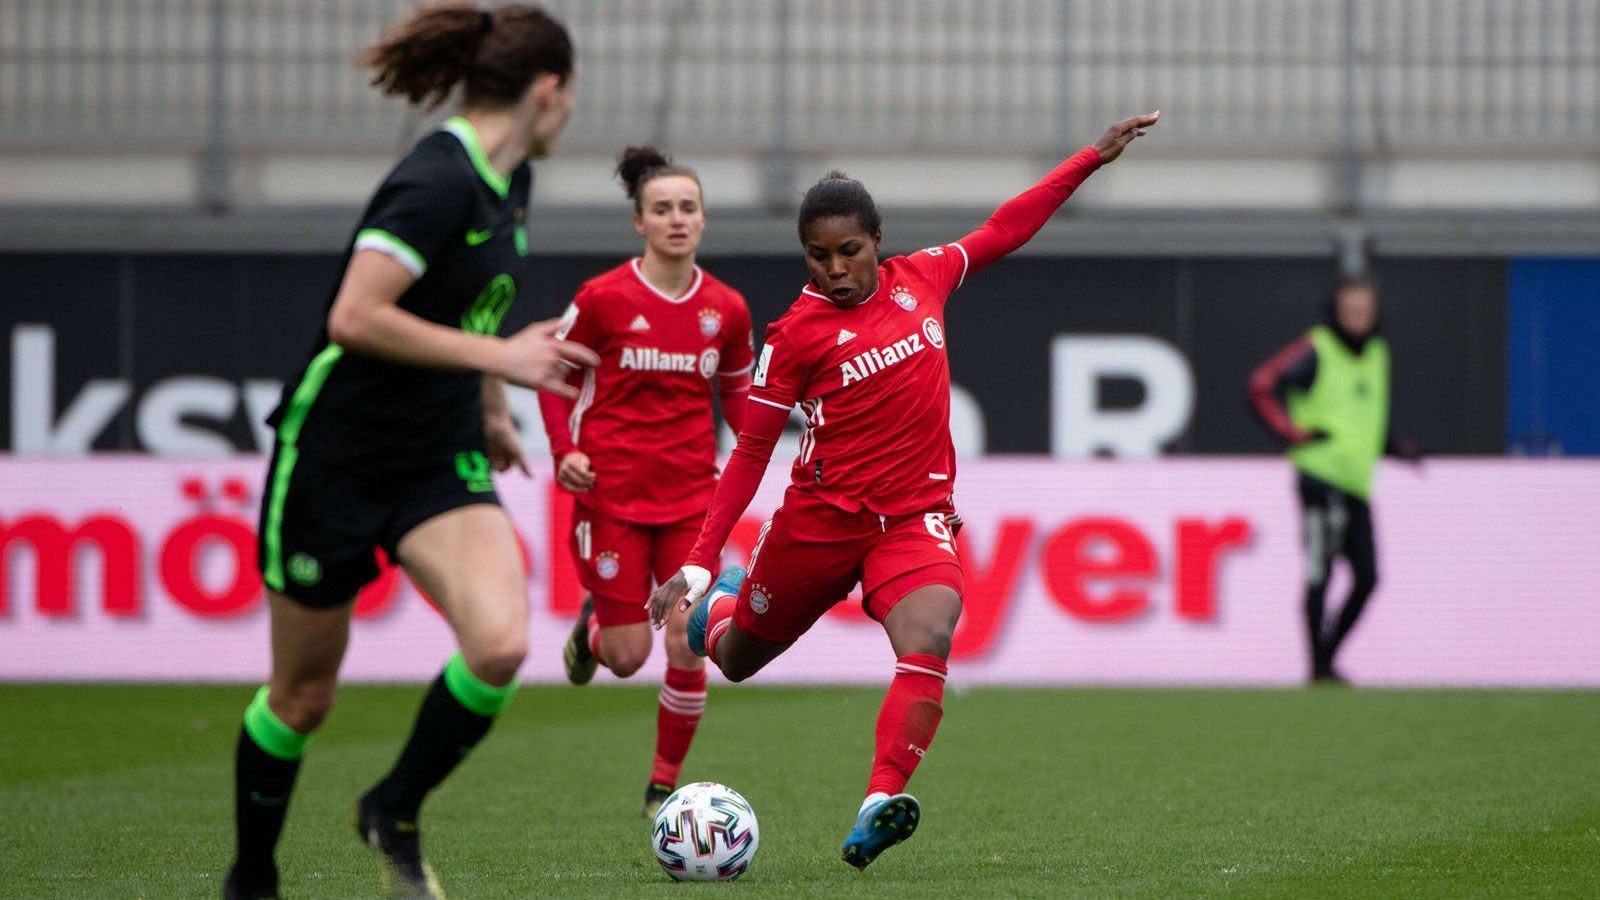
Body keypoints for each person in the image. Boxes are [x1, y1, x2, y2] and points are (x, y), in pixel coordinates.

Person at [648, 111, 1160, 869]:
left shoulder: (927, 276)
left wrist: (1091, 157)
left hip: (912, 520)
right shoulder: (794, 336)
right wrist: (698, 560)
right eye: (818, 256)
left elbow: (1006, 227)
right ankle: (716, 607)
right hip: (819, 523)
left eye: (849, 251)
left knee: (931, 634)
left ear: (877, 242)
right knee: (735, 658)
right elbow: (751, 450)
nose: (834, 269)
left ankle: (877, 803)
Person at [224, 5, 595, 899]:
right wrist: (501, 359)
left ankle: (392, 806)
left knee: (501, 645)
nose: (573, 112)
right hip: (337, 457)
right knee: (304, 697)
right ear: (548, 91)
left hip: (439, 453)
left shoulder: (511, 182)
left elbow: (476, 307)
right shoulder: (435, 181)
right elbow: (356, 317)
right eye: (572, 95)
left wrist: (495, 406)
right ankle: (253, 876)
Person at [537, 145, 754, 816]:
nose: (676, 219)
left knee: (688, 639)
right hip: (612, 498)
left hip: (693, 499)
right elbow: (555, 377)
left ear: (703, 218)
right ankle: (593, 633)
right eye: (662, 209)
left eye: (687, 207)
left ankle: (663, 787)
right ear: (640, 222)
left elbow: (745, 407)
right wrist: (564, 450)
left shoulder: (727, 309)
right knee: (628, 656)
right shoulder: (602, 300)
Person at [1248, 275, 1419, 684]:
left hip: (1357, 481)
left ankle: (1328, 657)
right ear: (1336, 312)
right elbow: (1261, 384)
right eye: (1350, 311)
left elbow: (1361, 419)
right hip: (1320, 477)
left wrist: (1394, 448)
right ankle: (1318, 666)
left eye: (1364, 310)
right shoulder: (1318, 348)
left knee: (1367, 577)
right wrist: (1293, 432)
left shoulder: (1378, 353)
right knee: (1319, 570)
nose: (1357, 318)